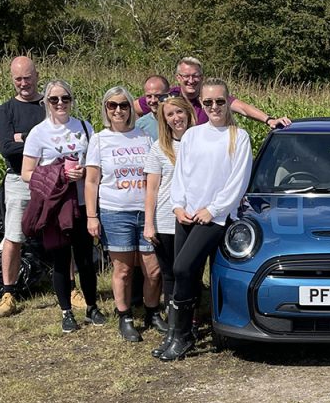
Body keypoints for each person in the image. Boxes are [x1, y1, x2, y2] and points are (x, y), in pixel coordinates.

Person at [157, 78, 253, 361]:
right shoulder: (192, 136)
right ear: (200, 103)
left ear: (227, 102)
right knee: (182, 273)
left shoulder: (238, 136)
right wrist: (177, 206)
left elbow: (238, 181)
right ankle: (176, 333)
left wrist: (213, 209)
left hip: (216, 218)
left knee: (183, 266)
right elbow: (182, 175)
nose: (214, 107)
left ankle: (184, 335)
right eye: (208, 102)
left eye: (219, 101)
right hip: (188, 214)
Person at [21, 80, 106, 332]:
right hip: (56, 206)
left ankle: (92, 307)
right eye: (54, 99)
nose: (60, 103)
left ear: (71, 100)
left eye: (65, 98)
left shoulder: (84, 127)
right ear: (46, 102)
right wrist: (58, 174)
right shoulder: (38, 133)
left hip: (82, 201)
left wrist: (84, 172)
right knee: (61, 259)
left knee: (85, 259)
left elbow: (95, 163)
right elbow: (26, 173)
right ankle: (66, 311)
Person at [85, 86, 164, 342]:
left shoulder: (144, 137)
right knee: (123, 270)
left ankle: (152, 312)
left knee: (153, 270)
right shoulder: (99, 139)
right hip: (115, 212)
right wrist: (92, 216)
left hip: (146, 212)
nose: (118, 110)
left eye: (123, 105)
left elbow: (155, 174)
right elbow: (91, 181)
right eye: (112, 105)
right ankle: (125, 316)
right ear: (106, 109)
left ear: (131, 108)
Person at [144, 95, 197, 357]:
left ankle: (190, 325)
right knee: (169, 275)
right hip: (165, 218)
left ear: (188, 113)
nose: (176, 118)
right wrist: (148, 223)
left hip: (192, 218)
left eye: (179, 112)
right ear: (164, 120)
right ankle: (174, 328)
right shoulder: (159, 148)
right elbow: (152, 188)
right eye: (170, 114)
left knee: (189, 273)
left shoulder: (200, 143)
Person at [0, 56, 44, 317]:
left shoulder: (50, 104)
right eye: (18, 79)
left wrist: (22, 137)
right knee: (13, 237)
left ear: (37, 76)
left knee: (62, 234)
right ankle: (8, 293)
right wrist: (38, 139)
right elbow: (6, 148)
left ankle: (71, 288)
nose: (24, 83)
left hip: (50, 178)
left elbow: (59, 140)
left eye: (27, 77)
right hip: (17, 179)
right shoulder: (7, 110)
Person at [134, 57, 290, 129]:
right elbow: (132, 107)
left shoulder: (210, 98)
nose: (191, 80)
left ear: (202, 77)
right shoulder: (169, 97)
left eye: (195, 76)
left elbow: (242, 107)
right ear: (178, 78)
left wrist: (269, 120)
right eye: (186, 76)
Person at [136, 75, 169, 140]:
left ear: (168, 94)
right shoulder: (140, 126)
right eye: (149, 96)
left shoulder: (178, 120)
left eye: (157, 96)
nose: (153, 100)